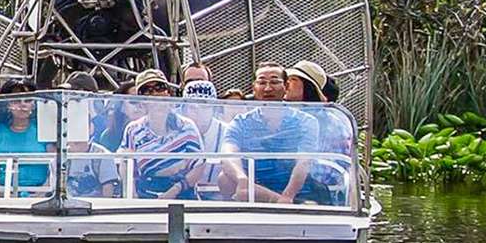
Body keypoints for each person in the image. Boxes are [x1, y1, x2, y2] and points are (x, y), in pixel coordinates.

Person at [219, 63, 318, 203]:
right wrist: (242, 180)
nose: (268, 88)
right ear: (254, 87)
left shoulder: (305, 121)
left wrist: (288, 196)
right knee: (225, 178)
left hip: (296, 194)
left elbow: (304, 162)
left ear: (286, 86)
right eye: (262, 82)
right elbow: (228, 154)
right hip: (254, 190)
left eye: (274, 82)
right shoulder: (241, 122)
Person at [119, 69, 203, 199]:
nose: (155, 94)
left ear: (168, 93)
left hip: (182, 192)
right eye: (147, 90)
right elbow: (126, 164)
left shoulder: (186, 126)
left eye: (159, 88)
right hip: (146, 195)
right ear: (141, 100)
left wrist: (173, 192)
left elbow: (199, 166)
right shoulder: (133, 130)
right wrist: (132, 194)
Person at [286, 60, 352, 206]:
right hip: (293, 185)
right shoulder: (289, 115)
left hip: (322, 192)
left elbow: (322, 173)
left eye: (293, 80)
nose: (287, 84)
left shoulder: (327, 121)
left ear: (308, 86)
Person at [0, 77, 53, 196]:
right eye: (16, 100)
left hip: (42, 196)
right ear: (6, 104)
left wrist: (40, 195)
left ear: (34, 104)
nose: (22, 104)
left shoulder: (45, 130)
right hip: (4, 197)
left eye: (28, 100)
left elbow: (55, 171)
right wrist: (8, 197)